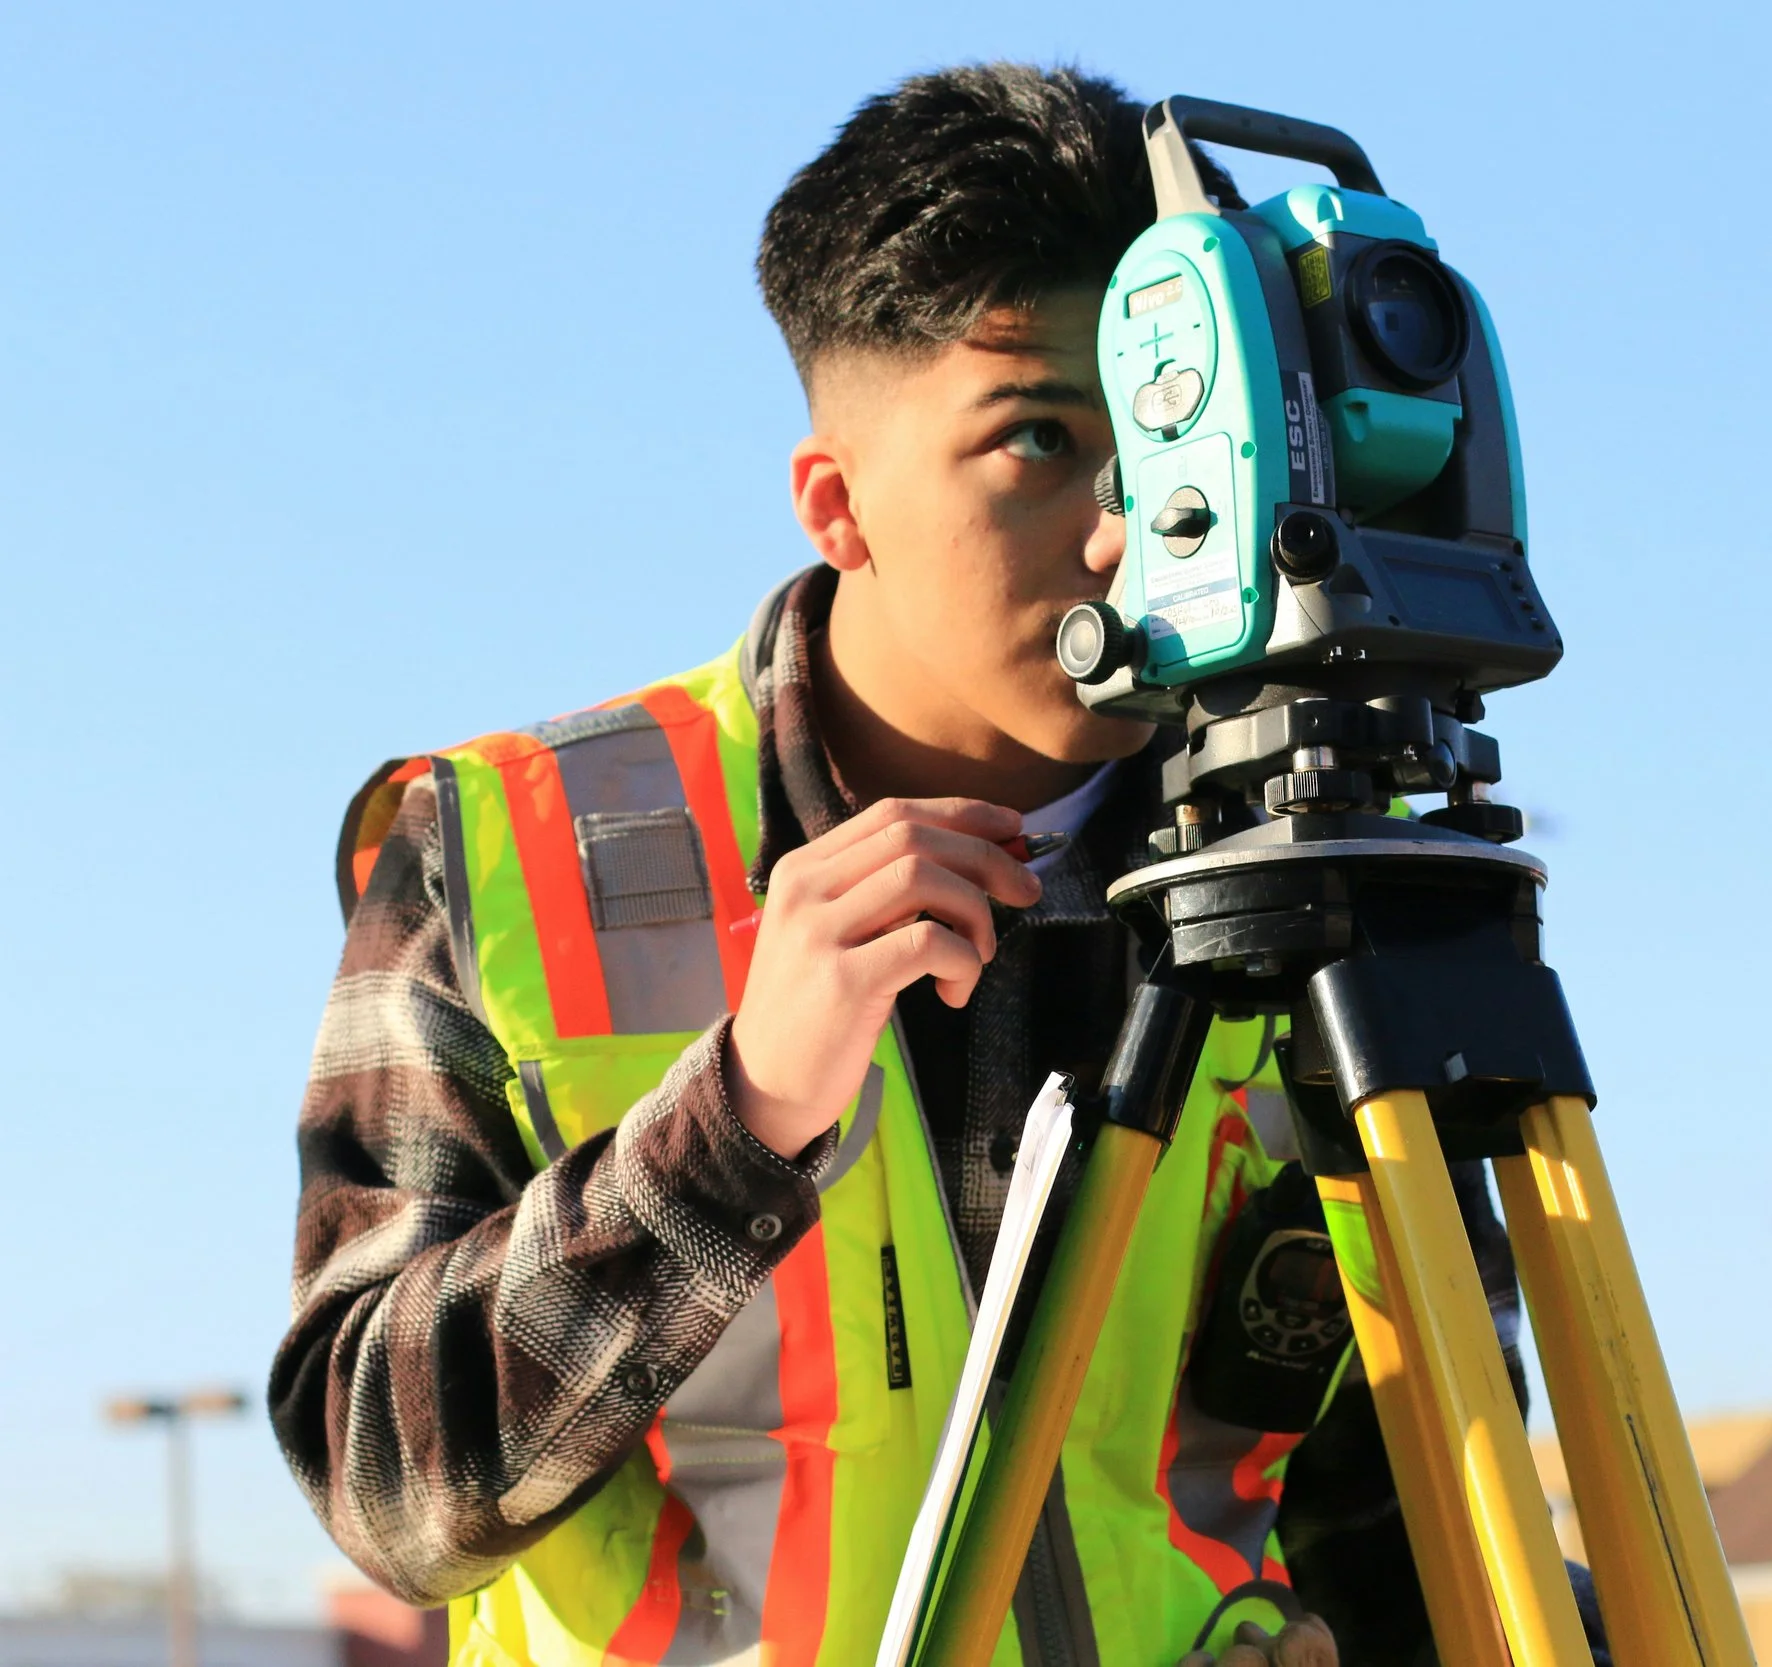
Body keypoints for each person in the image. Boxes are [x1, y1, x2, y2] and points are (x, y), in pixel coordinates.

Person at [271, 62, 1536, 1667]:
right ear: (837, 503)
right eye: (1034, 441)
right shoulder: (503, 853)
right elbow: (385, 1490)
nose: (1125, 527)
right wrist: (735, 1122)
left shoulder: (1298, 866)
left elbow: (1413, 1517)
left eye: (1159, 431)